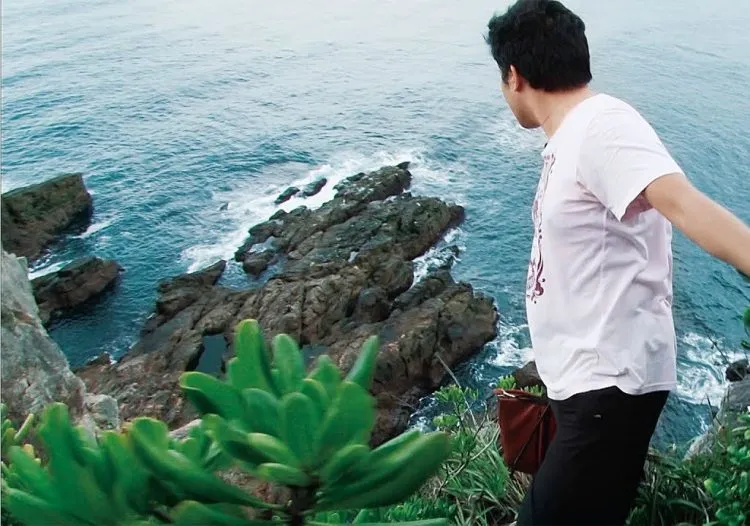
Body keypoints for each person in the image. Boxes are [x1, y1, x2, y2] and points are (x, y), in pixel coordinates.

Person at [484, 0, 750, 524]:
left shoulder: (602, 126)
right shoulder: (573, 136)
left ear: (513, 75)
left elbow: (683, 203)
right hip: (587, 386)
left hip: (607, 387)